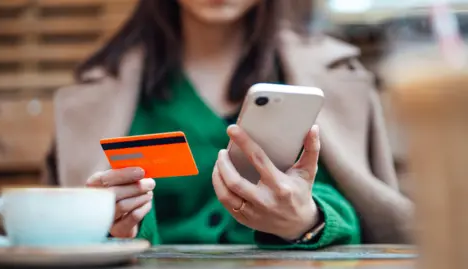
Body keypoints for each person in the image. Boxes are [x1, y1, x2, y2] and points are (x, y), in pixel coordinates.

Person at [45, 0, 413, 248]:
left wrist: (308, 219)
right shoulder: (98, 93)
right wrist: (118, 232)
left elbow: (365, 215)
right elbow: (59, 234)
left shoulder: (335, 76)